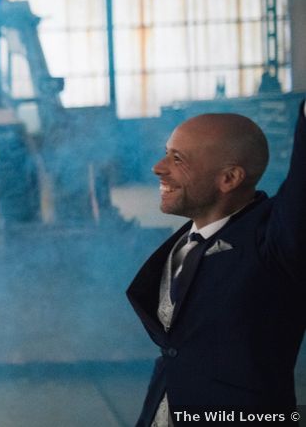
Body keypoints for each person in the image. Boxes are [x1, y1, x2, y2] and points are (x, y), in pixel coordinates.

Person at [126, 100, 306, 426]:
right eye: (167, 152)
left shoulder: (274, 243)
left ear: (229, 178)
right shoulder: (185, 242)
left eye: (177, 159)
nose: (158, 167)